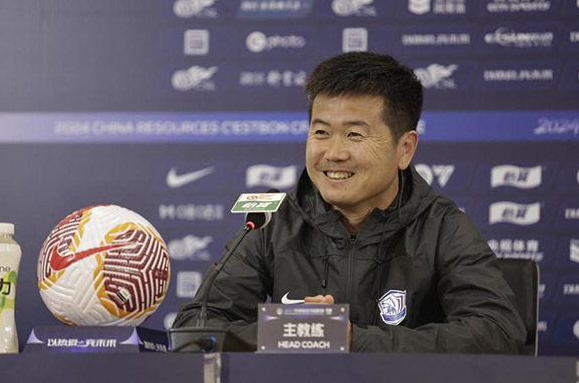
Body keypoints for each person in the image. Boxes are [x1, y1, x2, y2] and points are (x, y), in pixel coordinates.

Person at [172, 52, 527, 353]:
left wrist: (352, 339)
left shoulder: (443, 226)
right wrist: (294, 332)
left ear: (405, 148)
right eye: (321, 132)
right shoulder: (273, 221)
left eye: (354, 134)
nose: (334, 153)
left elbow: (499, 332)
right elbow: (194, 327)